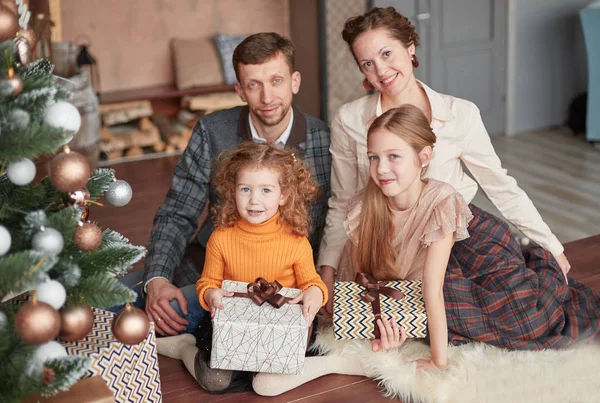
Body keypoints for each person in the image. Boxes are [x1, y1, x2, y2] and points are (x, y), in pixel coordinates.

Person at [248, 105, 600, 397]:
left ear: (424, 157)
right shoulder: (364, 207)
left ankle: (540, 269)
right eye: (373, 157)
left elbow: (431, 286)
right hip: (431, 274)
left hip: (476, 250)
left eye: (394, 156)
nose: (381, 168)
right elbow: (360, 277)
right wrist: (385, 316)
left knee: (530, 320)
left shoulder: (442, 200)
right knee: (441, 313)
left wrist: (438, 360)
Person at [318, 7, 571, 314]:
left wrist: (552, 246)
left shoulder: (460, 114)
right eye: (367, 64)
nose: (381, 71)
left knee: (519, 310)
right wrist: (327, 268)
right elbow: (343, 199)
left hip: (452, 240)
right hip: (385, 246)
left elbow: (499, 184)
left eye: (387, 54)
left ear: (410, 48)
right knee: (406, 321)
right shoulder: (351, 120)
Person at [131, 32, 331, 336]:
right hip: (215, 272)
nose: (266, 98)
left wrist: (320, 282)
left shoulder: (325, 139)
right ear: (239, 90)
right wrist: (157, 279)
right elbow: (177, 213)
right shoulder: (212, 132)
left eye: (276, 81)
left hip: (286, 285)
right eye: (254, 85)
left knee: (167, 318)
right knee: (121, 297)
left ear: (295, 82)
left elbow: (340, 217)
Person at [156, 142, 328, 393]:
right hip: (233, 327)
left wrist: (315, 292)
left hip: (276, 329)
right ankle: (185, 347)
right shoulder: (222, 238)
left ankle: (255, 372)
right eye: (245, 189)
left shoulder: (295, 240)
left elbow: (312, 282)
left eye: (266, 190)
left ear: (284, 196)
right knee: (215, 381)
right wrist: (210, 294)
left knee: (268, 383)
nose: (254, 200)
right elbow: (208, 282)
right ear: (232, 191)